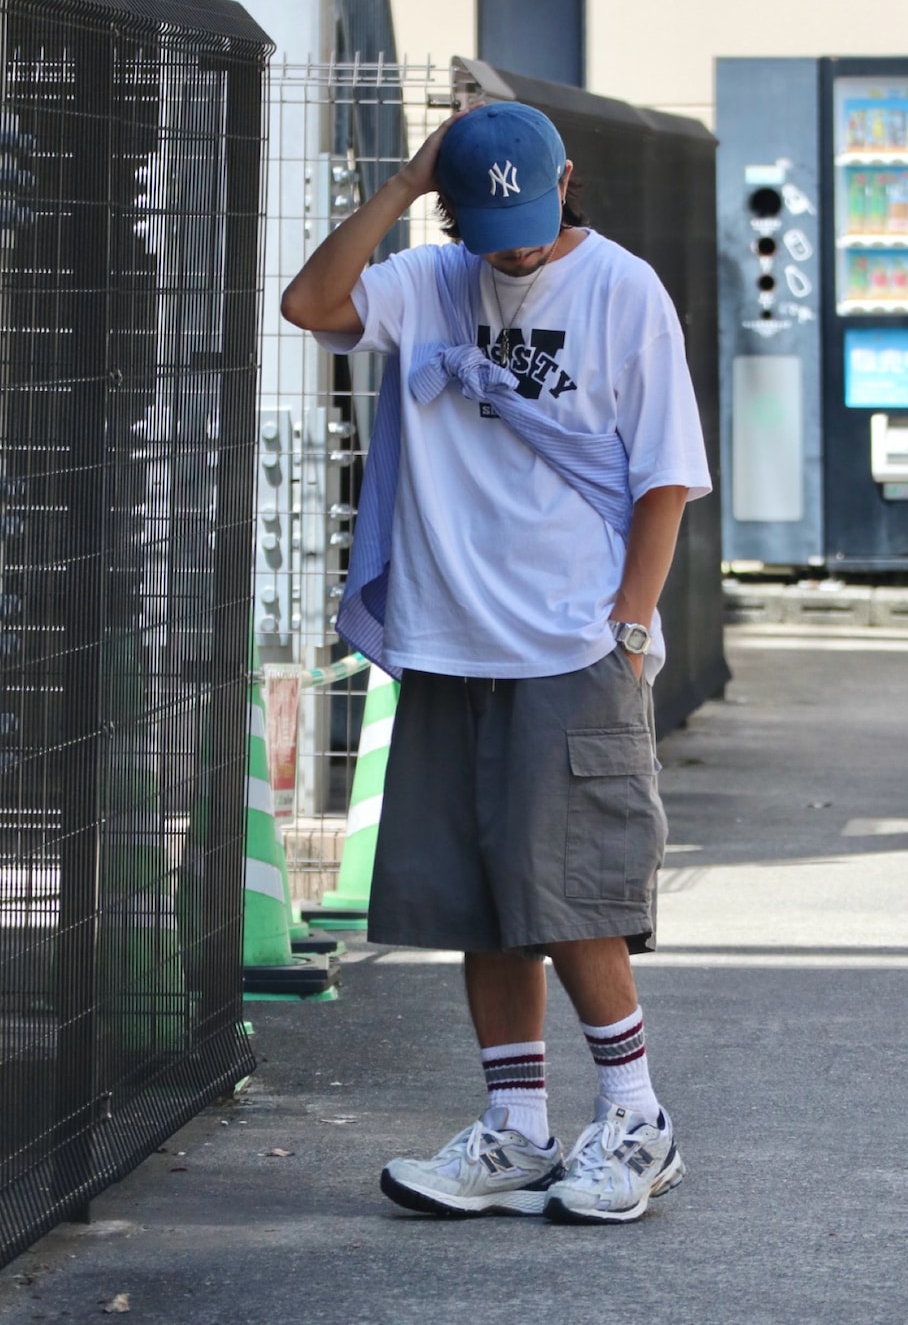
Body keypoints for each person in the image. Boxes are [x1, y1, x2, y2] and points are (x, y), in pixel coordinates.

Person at [281, 101, 712, 1225]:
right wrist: (402, 181)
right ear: (452, 210)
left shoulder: (621, 289)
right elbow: (310, 304)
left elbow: (666, 473)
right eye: (488, 229)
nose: (513, 252)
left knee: (570, 893)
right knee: (482, 900)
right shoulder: (430, 279)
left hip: (569, 643)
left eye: (527, 226)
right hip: (447, 638)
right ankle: (517, 1128)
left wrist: (629, 625)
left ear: (565, 181)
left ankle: (637, 1119)